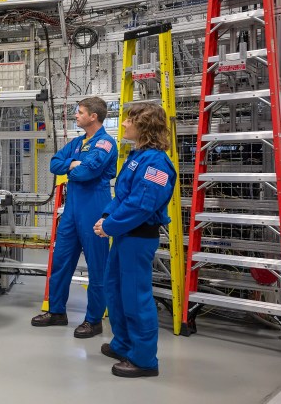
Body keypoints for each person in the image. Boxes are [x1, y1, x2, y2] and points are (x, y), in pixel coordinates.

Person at [93, 103, 176, 378]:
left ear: (144, 125)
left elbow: (142, 205)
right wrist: (107, 218)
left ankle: (143, 359)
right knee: (115, 291)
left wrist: (111, 226)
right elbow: (122, 197)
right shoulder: (135, 157)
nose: (125, 124)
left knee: (135, 297)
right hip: (123, 235)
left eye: (129, 120)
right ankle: (124, 344)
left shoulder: (157, 162)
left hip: (138, 237)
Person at [31, 97, 117, 338]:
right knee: (61, 261)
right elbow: (54, 164)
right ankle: (57, 311)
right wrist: (73, 164)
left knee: (97, 267)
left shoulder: (106, 143)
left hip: (95, 207)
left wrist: (72, 168)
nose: (76, 116)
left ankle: (93, 320)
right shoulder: (78, 142)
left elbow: (87, 172)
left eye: (80, 112)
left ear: (93, 117)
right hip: (72, 210)